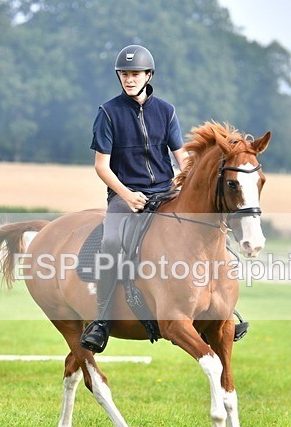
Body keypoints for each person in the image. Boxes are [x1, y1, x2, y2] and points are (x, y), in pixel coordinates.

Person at [80, 44, 189, 353]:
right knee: (112, 243)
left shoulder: (166, 111)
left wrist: (188, 186)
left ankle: (220, 309)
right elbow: (102, 166)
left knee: (200, 231)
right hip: (124, 196)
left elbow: (183, 158)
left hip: (166, 193)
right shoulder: (108, 113)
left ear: (148, 75)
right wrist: (127, 195)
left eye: (135, 74)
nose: (129, 79)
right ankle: (101, 321)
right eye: (124, 74)